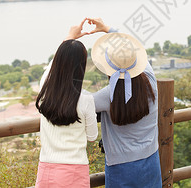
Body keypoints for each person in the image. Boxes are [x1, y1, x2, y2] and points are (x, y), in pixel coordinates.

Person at [88, 17, 162, 188]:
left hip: (121, 167)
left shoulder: (107, 96)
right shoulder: (151, 80)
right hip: (151, 160)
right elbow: (130, 47)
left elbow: (76, 102)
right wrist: (108, 28)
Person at [35, 18, 98, 188]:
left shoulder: (45, 91)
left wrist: (69, 37)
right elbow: (92, 137)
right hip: (75, 171)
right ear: (82, 66)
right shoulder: (85, 100)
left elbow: (52, 68)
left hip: (46, 168)